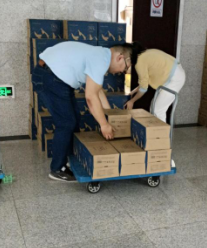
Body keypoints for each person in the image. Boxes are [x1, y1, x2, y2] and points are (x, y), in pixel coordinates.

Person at [32, 41, 133, 182]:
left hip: (55, 78)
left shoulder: (101, 55)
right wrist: (104, 125)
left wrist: (110, 117)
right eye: (124, 69)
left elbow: (97, 91)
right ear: (120, 58)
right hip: (50, 78)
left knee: (74, 120)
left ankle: (70, 160)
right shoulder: (101, 59)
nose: (119, 73)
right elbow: (90, 97)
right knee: (66, 123)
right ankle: (57, 169)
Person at [124, 46, 186, 122]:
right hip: (173, 75)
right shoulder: (144, 55)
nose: (125, 68)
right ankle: (156, 129)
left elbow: (143, 88)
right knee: (153, 108)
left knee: (158, 110)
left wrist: (132, 101)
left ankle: (161, 130)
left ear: (128, 58)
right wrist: (132, 92)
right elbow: (144, 83)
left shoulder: (139, 62)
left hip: (174, 78)